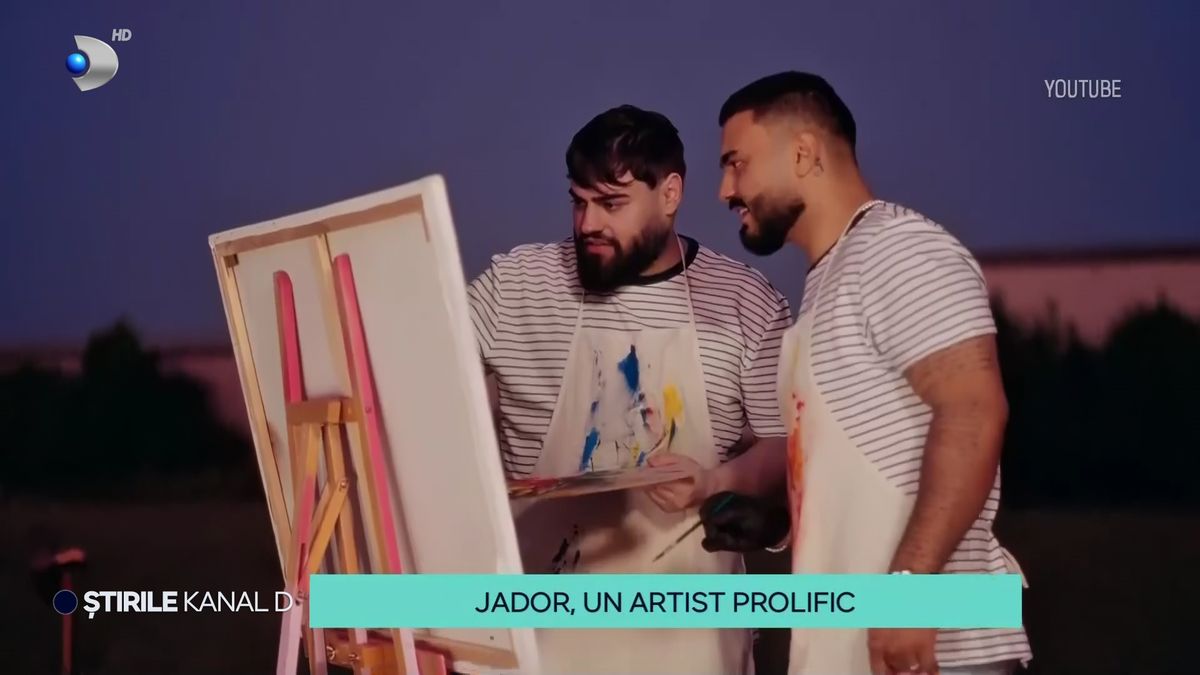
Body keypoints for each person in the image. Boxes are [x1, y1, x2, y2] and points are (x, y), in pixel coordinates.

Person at [701, 71, 1033, 675]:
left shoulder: (897, 249)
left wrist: (909, 590)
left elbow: (973, 411)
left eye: (736, 164)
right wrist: (778, 523)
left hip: (938, 651)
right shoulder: (829, 281)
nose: (726, 190)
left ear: (803, 153)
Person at [466, 104, 791, 674]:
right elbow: (416, 380)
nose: (588, 223)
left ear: (670, 194)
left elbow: (782, 445)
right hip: (535, 637)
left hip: (687, 642)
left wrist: (717, 482)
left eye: (611, 203)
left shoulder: (744, 303)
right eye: (578, 201)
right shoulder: (515, 287)